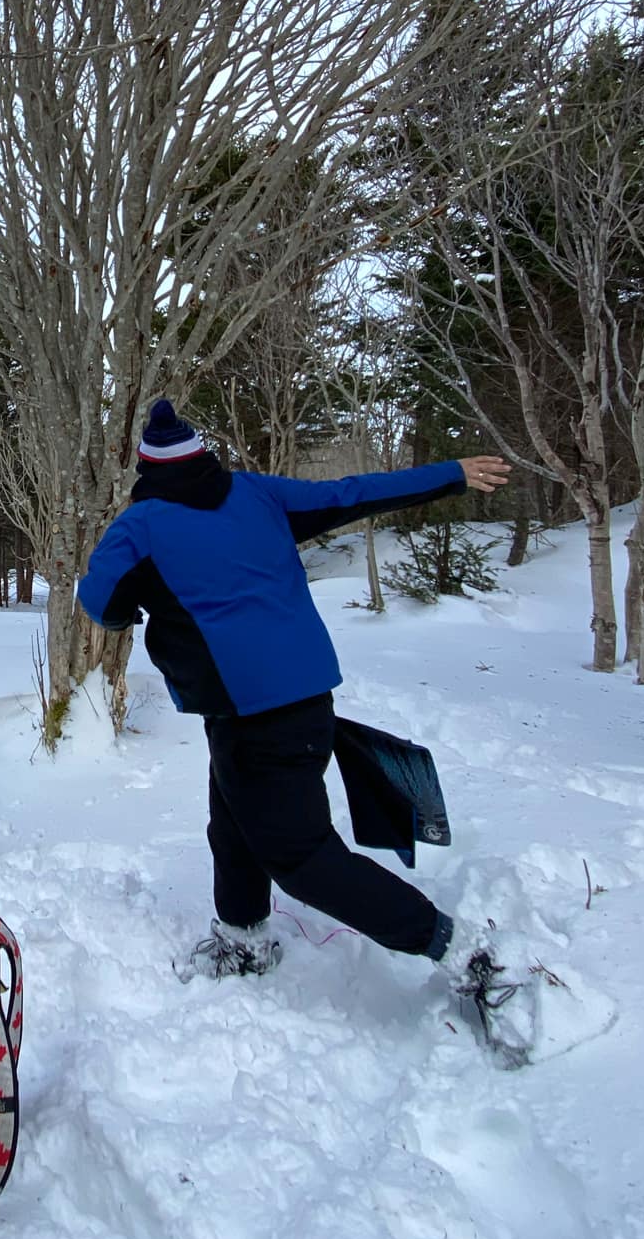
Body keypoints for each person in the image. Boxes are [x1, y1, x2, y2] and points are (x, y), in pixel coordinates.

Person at [76, 398, 525, 1044]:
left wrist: (135, 613)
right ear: (204, 458)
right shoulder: (256, 494)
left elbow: (100, 604)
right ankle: (244, 938)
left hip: (254, 716)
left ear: (148, 471)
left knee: (303, 858)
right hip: (297, 701)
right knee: (231, 823)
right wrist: (449, 472)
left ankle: (461, 951)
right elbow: (355, 493)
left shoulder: (140, 527)